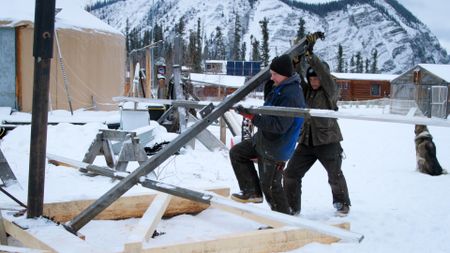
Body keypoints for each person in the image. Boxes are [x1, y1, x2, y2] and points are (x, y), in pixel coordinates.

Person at [283, 35, 351, 216]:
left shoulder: (331, 91)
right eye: (311, 79)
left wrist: (311, 56)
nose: (314, 82)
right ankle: (292, 206)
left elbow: (324, 75)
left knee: (334, 175)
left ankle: (342, 203)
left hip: (328, 141)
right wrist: (298, 59)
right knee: (290, 174)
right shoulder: (306, 91)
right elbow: (298, 77)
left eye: (317, 79)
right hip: (306, 141)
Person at [229, 54, 306, 214]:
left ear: (284, 74)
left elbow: (279, 126)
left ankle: (282, 221)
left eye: (274, 74)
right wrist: (253, 113)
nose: (271, 77)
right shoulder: (280, 88)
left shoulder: (291, 95)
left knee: (271, 187)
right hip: (264, 140)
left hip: (277, 147)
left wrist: (252, 117)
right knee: (237, 153)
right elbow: (269, 110)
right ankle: (251, 191)